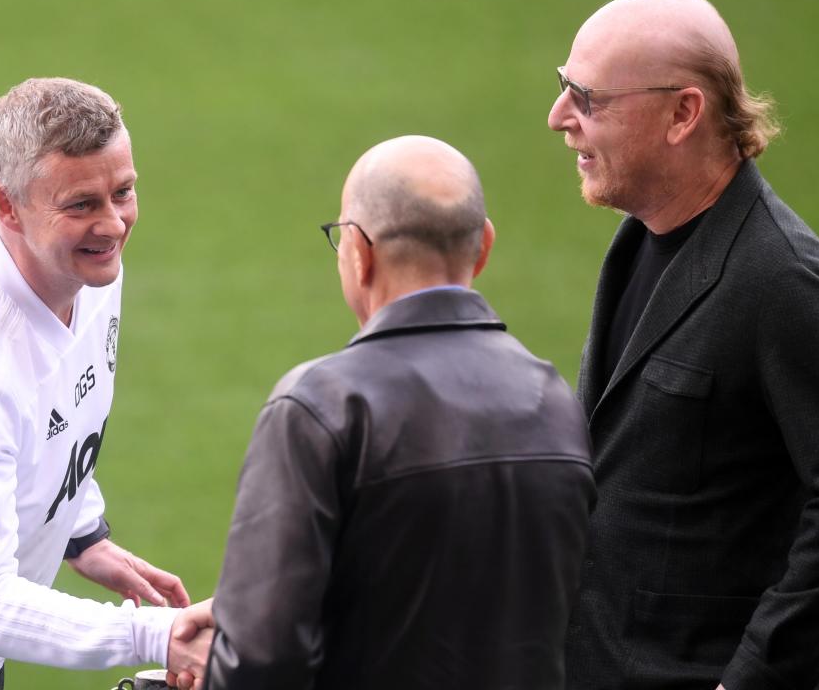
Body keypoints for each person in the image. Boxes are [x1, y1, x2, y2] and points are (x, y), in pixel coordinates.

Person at [199, 135, 596, 689]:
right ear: (483, 247)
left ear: (358, 253)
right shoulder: (553, 402)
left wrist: (233, 642)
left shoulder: (320, 407)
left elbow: (262, 663)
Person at [0, 78, 211, 690]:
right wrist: (153, 635)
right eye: (81, 205)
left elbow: (56, 409)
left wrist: (82, 534)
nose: (113, 225)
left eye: (123, 192)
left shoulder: (84, 267)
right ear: (7, 207)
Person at [548, 0, 819, 690]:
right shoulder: (639, 235)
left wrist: (753, 678)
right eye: (563, 89)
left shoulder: (780, 280)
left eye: (587, 98)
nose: (559, 119)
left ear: (683, 113)